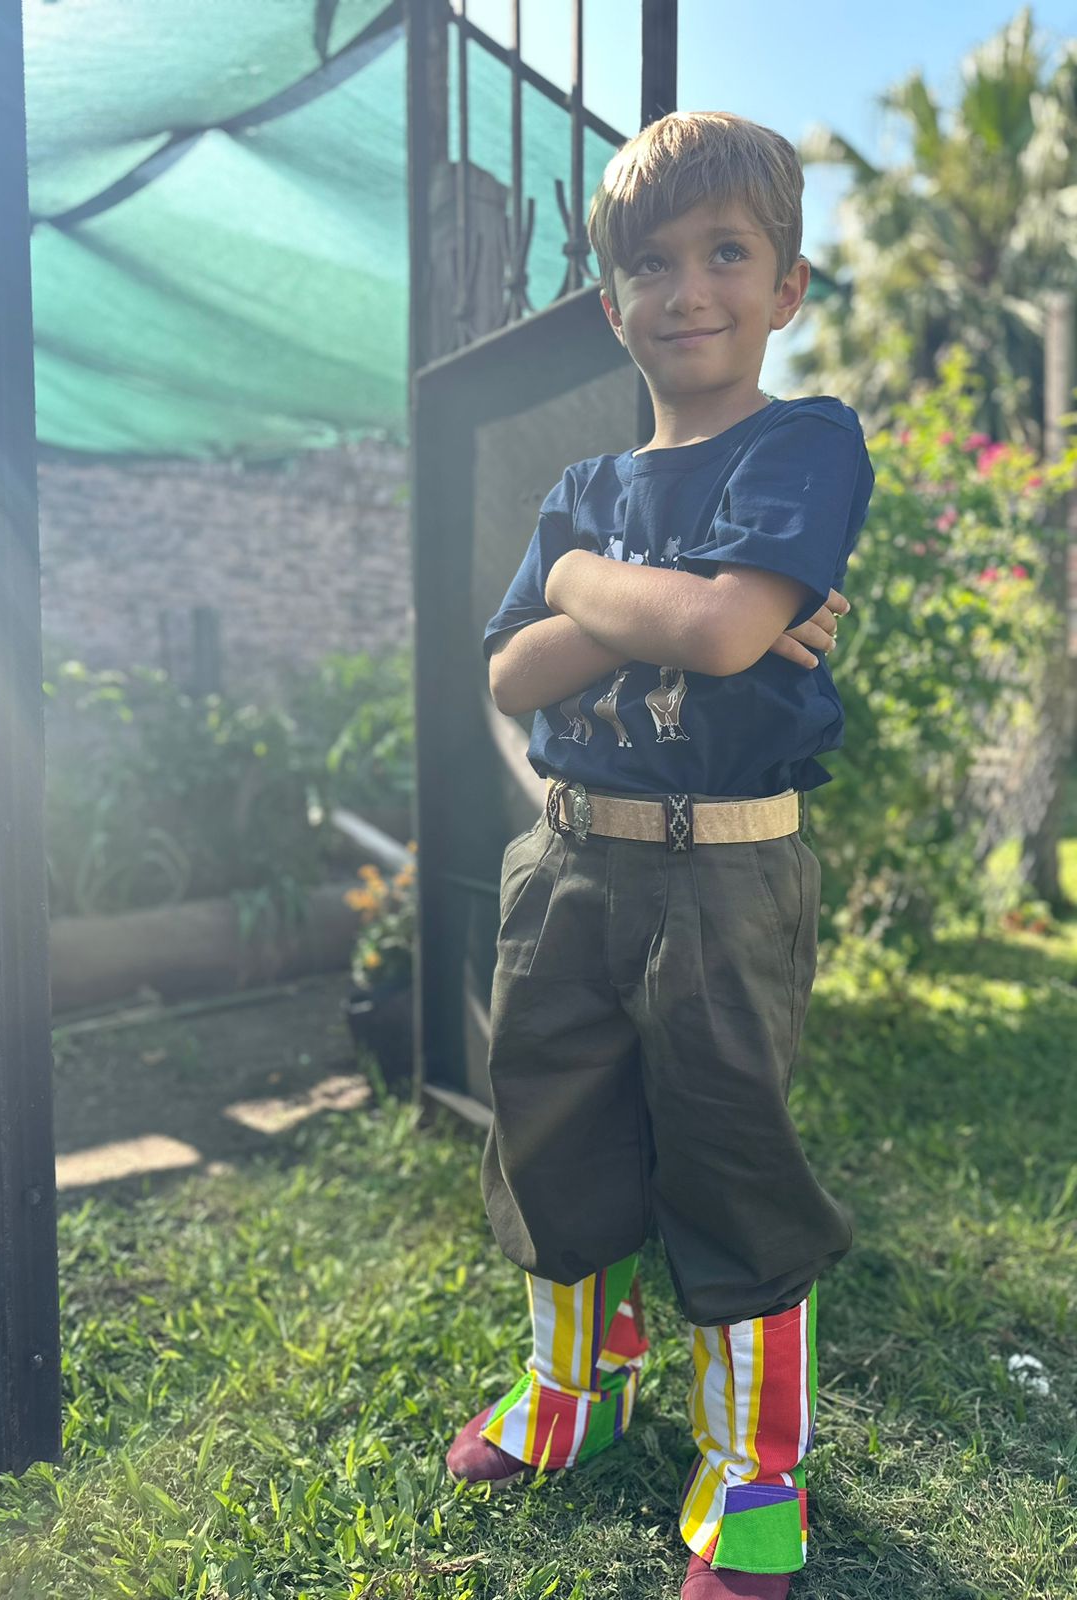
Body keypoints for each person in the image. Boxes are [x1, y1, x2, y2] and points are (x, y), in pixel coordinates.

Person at [445, 111, 876, 1600]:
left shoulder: (803, 444)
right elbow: (510, 676)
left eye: (727, 254)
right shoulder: (582, 495)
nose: (688, 289)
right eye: (651, 264)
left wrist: (582, 593)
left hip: (723, 875)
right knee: (549, 1130)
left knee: (727, 1154)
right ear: (610, 300)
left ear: (787, 288)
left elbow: (721, 633)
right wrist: (627, 585)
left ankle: (753, 1468)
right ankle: (574, 1387)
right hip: (565, 864)